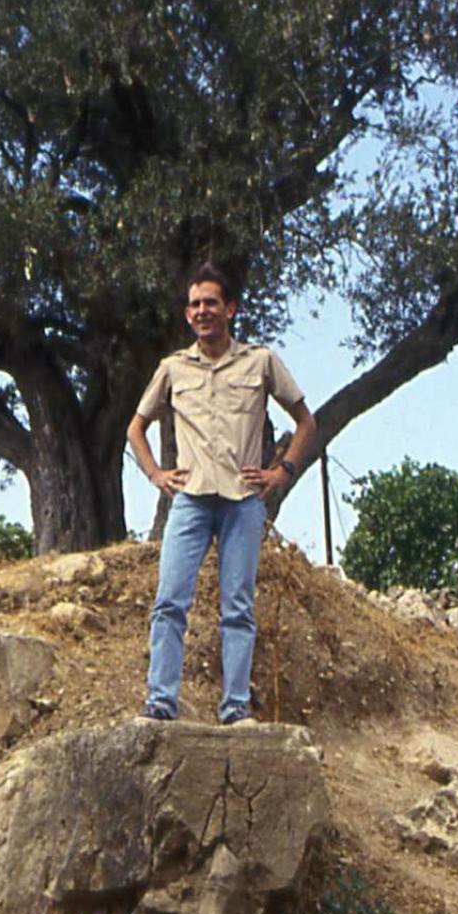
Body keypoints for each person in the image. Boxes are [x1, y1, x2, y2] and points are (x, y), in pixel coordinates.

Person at [127, 265, 317, 724]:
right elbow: (136, 427)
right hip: (190, 500)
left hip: (242, 502)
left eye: (210, 302)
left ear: (230, 309)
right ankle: (161, 702)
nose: (201, 311)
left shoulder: (260, 361)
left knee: (237, 607)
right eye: (194, 304)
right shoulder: (173, 368)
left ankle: (235, 708)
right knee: (170, 601)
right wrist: (155, 474)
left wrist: (283, 472)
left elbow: (306, 421)